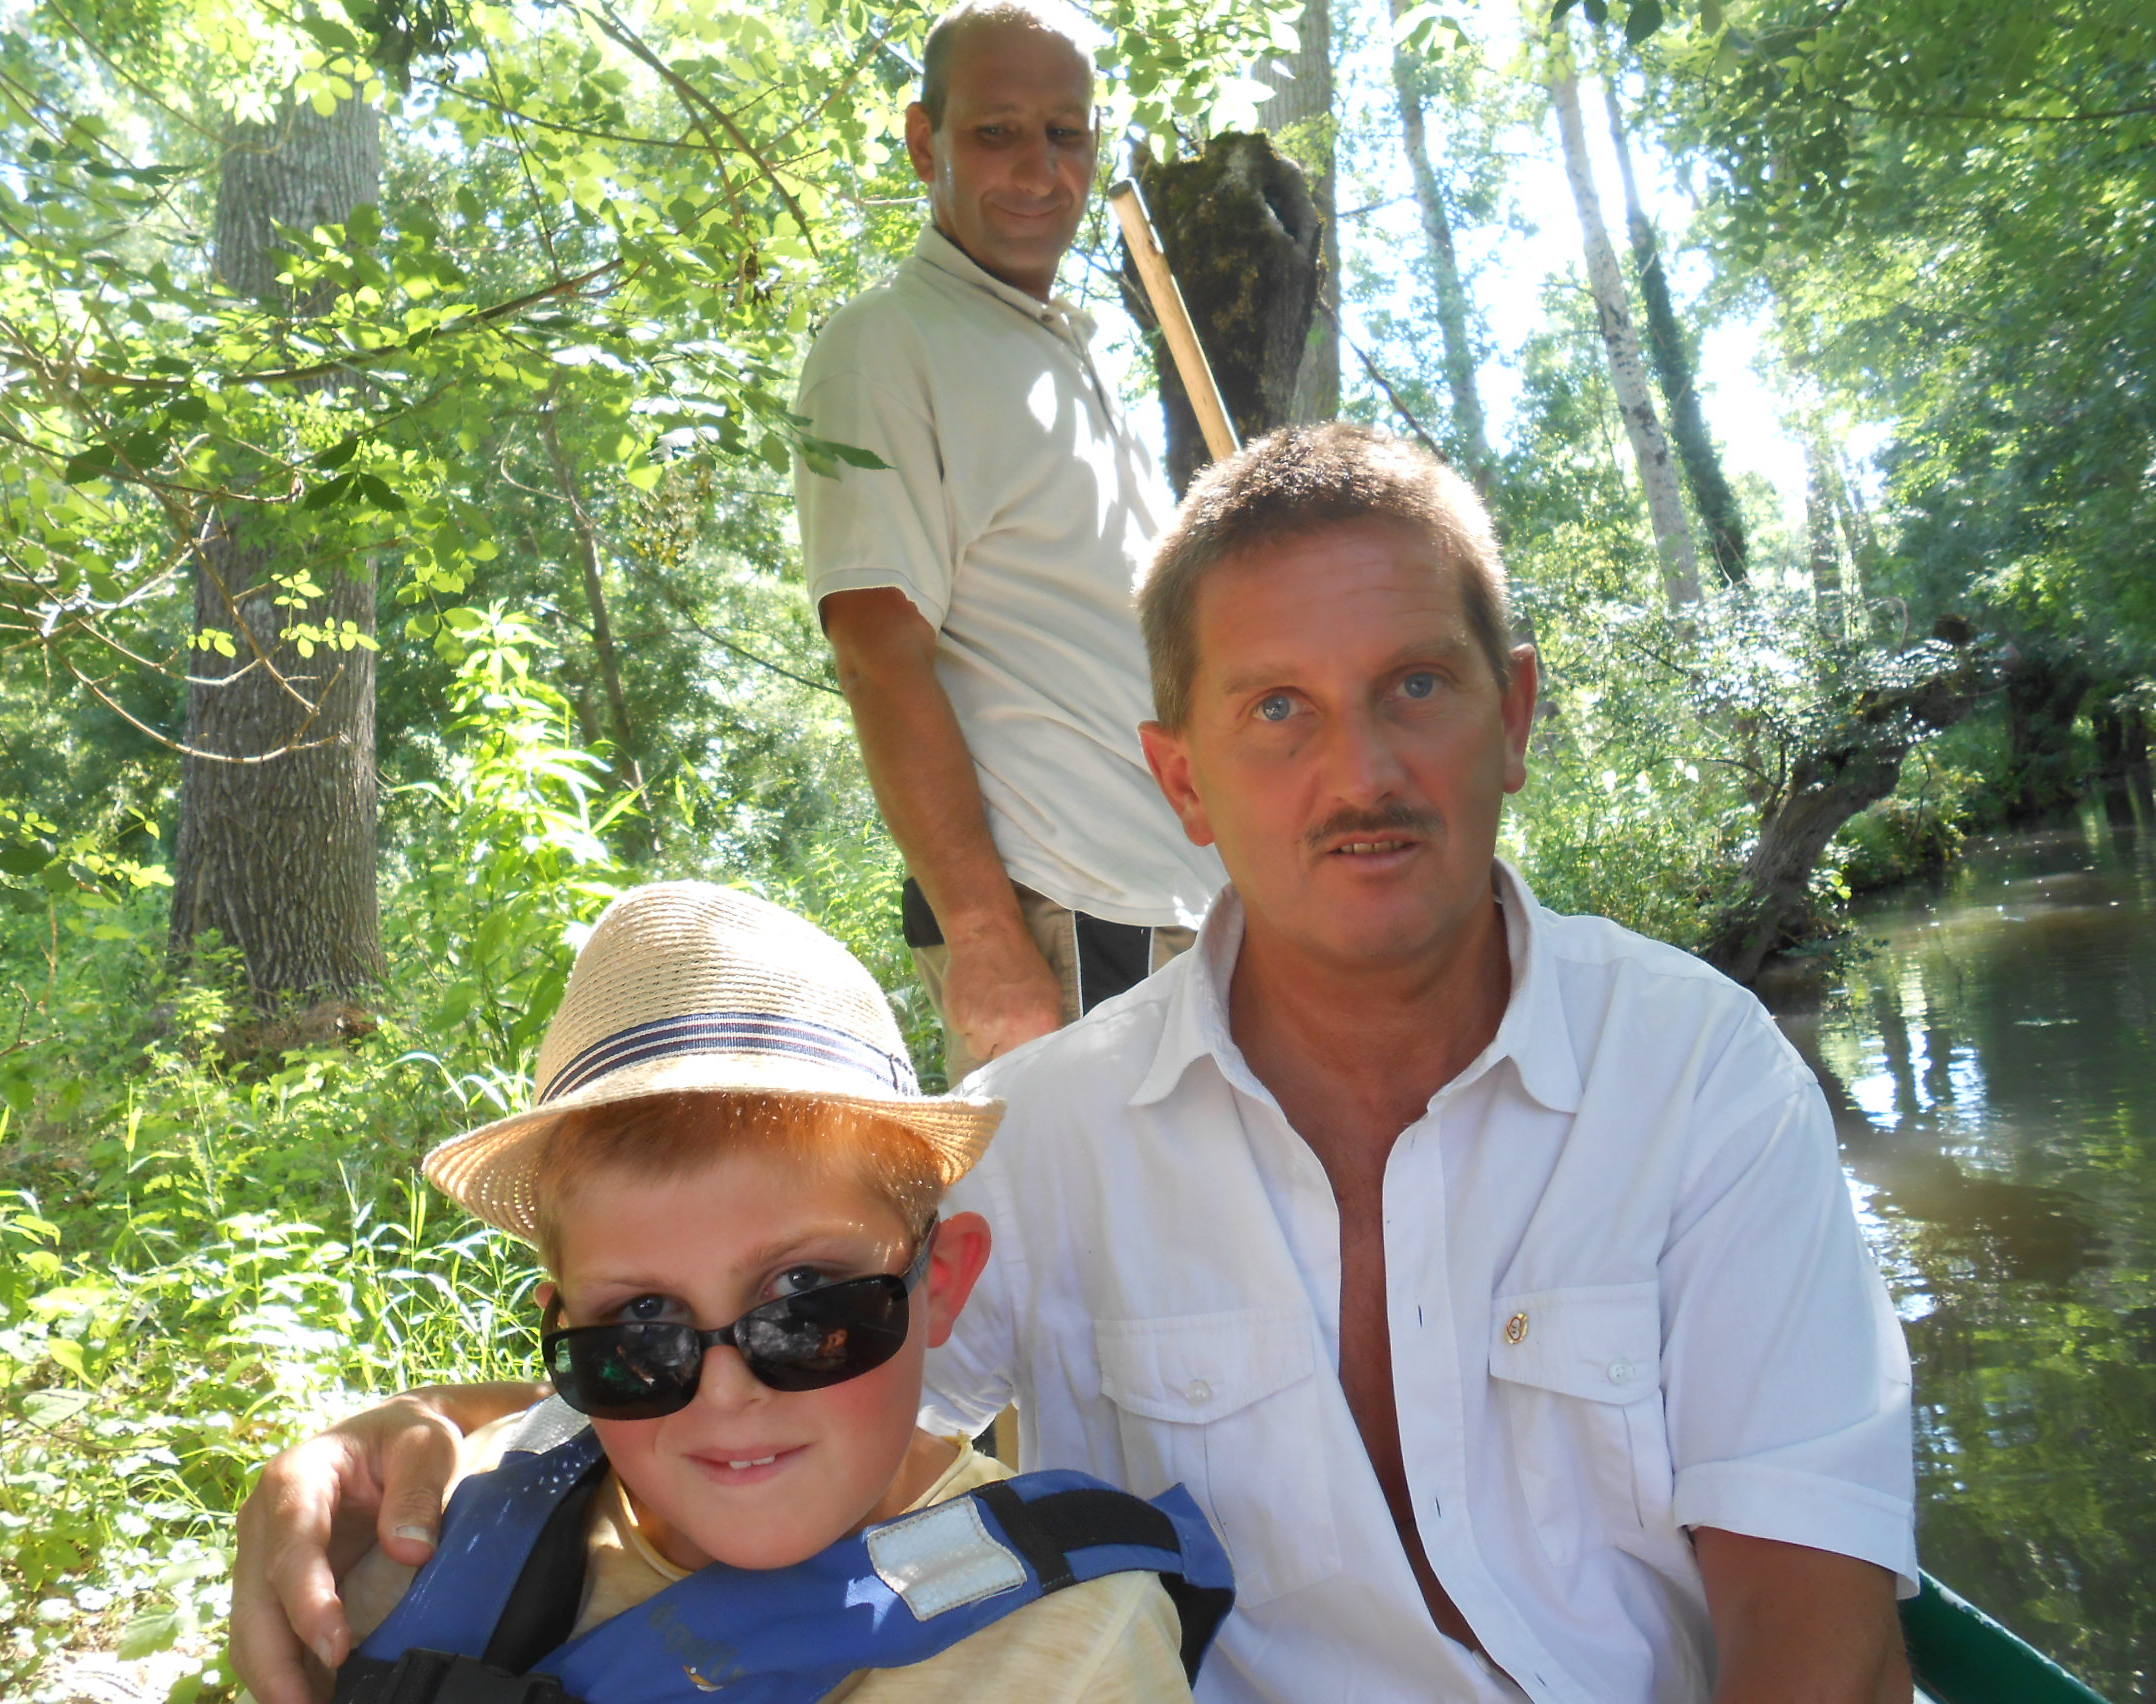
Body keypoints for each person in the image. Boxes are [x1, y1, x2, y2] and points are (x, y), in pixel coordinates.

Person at [231, 426, 1918, 1704]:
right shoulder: (1043, 1136)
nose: (1363, 767)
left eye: (1416, 681)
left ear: (1517, 712)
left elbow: (1820, 1649)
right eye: (1277, 710)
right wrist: (379, 1441)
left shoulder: (1699, 1079)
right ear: (1179, 780)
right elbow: (755, 1366)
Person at [310, 881, 1231, 1704]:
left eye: (805, 1298)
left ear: (938, 1282)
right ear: (562, 1332)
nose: (724, 1392)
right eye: (641, 1323)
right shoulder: (417, 1541)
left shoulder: (1075, 1652)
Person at [799, 0, 1224, 1081]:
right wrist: (985, 937)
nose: (1037, 169)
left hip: (1180, 911)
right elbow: (876, 654)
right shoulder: (884, 346)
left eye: (1065, 132)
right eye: (996, 132)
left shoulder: (1059, 350)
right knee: (1101, 1251)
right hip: (1070, 924)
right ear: (922, 140)